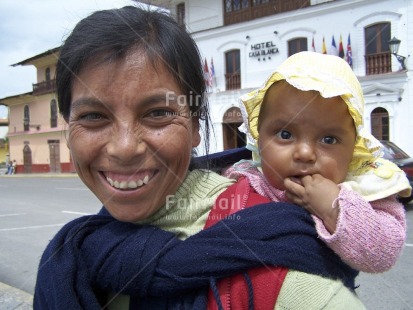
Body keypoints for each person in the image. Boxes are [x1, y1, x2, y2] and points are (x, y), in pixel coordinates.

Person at [33, 7, 365, 310]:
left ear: (195, 126)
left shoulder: (273, 257)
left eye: (158, 113)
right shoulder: (75, 253)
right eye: (93, 117)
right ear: (68, 127)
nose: (124, 147)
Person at [225, 51, 411, 273]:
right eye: (285, 134)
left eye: (328, 139)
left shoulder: (362, 191)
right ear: (260, 138)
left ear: (352, 150)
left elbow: (383, 254)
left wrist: (334, 208)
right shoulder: (244, 179)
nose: (305, 153)